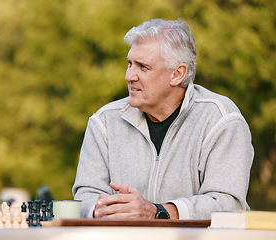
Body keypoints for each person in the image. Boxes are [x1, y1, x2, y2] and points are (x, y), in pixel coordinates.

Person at [72, 18, 254, 220]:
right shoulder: (103, 122)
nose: (129, 76)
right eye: (130, 64)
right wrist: (104, 211)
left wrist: (158, 212)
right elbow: (85, 197)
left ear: (177, 74)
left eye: (143, 67)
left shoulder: (222, 120)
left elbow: (228, 203)